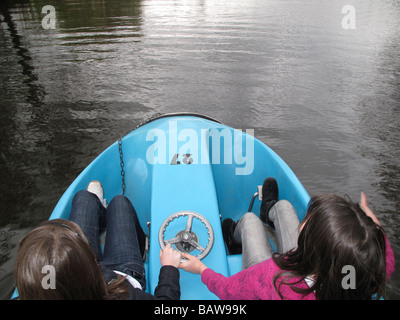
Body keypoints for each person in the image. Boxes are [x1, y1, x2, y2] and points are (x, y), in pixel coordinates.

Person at [179, 178, 395, 300]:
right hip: (307, 269)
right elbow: (380, 250)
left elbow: (228, 290)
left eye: (307, 221)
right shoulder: (367, 275)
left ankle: (233, 236)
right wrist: (368, 221)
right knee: (284, 207)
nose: (303, 222)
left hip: (283, 274)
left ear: (311, 245)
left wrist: (202, 270)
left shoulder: (273, 280)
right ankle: (271, 209)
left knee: (250, 221)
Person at [14, 181, 182, 300]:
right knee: (119, 203)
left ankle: (95, 205)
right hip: (121, 277)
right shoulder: (123, 296)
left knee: (84, 197)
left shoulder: (43, 289)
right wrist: (169, 268)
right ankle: (137, 245)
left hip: (81, 271)